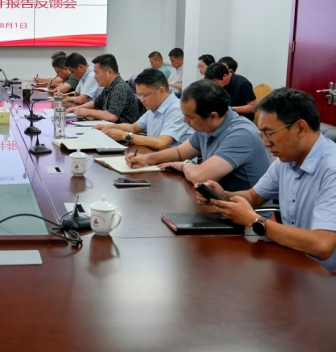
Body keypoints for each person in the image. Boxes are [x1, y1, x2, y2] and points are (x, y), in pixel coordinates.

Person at [198, 88, 336, 273]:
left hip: (325, 277)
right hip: (294, 262)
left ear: (300, 128)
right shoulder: (286, 160)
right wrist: (222, 195)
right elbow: (254, 197)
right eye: (262, 134)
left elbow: (322, 245)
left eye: (269, 133)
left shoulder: (331, 170)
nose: (265, 143)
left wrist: (254, 220)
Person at [127, 79, 270, 191]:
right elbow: (179, 152)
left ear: (212, 116)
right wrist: (146, 159)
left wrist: (184, 165)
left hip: (245, 214)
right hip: (216, 200)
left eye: (190, 117)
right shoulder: (207, 126)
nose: (185, 121)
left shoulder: (241, 135)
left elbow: (199, 176)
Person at [96, 68, 192, 150]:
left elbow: (162, 143)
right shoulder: (155, 106)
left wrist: (125, 136)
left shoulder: (177, 109)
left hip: (176, 163)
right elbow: (133, 127)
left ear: (161, 91)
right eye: (139, 95)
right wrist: (108, 127)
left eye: (144, 95)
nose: (141, 100)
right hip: (155, 157)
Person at [67, 54, 140, 124]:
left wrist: (88, 112)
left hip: (124, 130)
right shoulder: (109, 86)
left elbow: (111, 116)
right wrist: (78, 108)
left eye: (96, 73)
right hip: (112, 127)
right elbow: (96, 103)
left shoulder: (120, 87)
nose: (95, 77)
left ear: (109, 72)